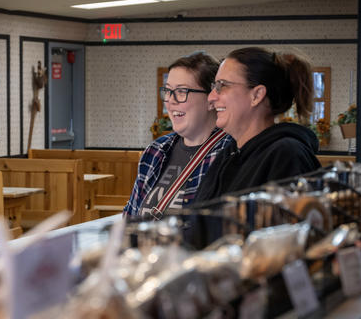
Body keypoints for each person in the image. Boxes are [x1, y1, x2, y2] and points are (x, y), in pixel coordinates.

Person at [194, 47, 321, 203]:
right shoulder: (228, 154)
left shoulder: (287, 156)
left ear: (257, 95)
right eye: (214, 86)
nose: (211, 97)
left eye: (222, 85)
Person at [125, 53, 234, 217]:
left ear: (211, 99)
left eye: (182, 91)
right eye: (168, 91)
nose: (170, 100)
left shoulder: (231, 152)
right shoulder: (155, 151)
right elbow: (130, 217)